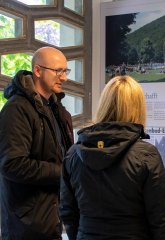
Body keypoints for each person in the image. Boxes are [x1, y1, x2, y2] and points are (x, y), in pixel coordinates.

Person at [60, 75, 165, 240]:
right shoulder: (146, 155)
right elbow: (161, 218)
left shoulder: (74, 154)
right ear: (138, 108)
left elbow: (67, 210)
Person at [0, 46, 73, 239]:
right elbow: (12, 164)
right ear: (38, 71)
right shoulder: (16, 109)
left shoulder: (58, 110)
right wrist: (63, 172)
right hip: (25, 228)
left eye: (66, 71)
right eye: (58, 71)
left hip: (52, 221)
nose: (64, 77)